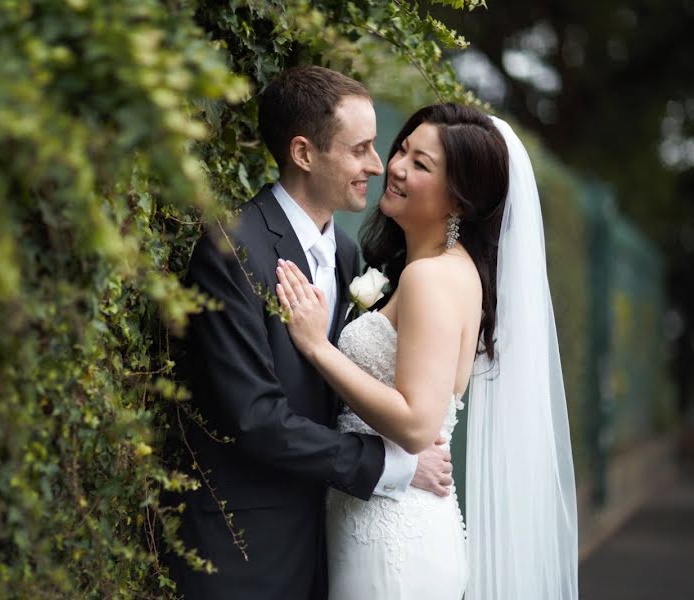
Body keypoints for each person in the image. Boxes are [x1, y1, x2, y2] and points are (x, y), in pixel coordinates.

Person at [166, 67, 455, 600]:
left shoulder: (348, 256)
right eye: (360, 148)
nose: (377, 164)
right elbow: (254, 417)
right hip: (247, 553)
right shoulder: (233, 249)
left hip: (332, 545)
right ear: (304, 153)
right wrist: (394, 465)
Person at [275, 103, 578, 599]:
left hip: (392, 539)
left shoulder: (431, 278)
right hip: (382, 518)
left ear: (459, 201)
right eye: (403, 151)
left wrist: (315, 346)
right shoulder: (434, 269)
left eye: (421, 164)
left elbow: (418, 424)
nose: (395, 167)